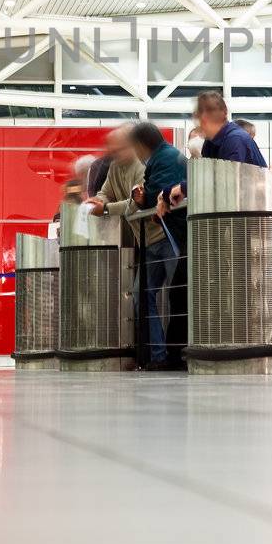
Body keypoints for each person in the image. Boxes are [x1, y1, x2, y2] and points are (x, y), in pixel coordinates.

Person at [87, 128, 154, 361]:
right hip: (132, 241)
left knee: (143, 295)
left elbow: (135, 203)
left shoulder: (141, 167)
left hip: (150, 239)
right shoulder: (115, 167)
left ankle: (152, 353)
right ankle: (146, 353)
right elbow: (105, 192)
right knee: (138, 295)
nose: (111, 152)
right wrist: (98, 200)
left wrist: (104, 208)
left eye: (115, 147)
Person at [130, 121, 191, 369]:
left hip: (171, 236)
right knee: (146, 294)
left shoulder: (165, 159)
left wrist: (145, 197)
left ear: (141, 146)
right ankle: (160, 355)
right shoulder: (165, 157)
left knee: (179, 294)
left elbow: (158, 193)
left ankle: (170, 355)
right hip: (163, 237)